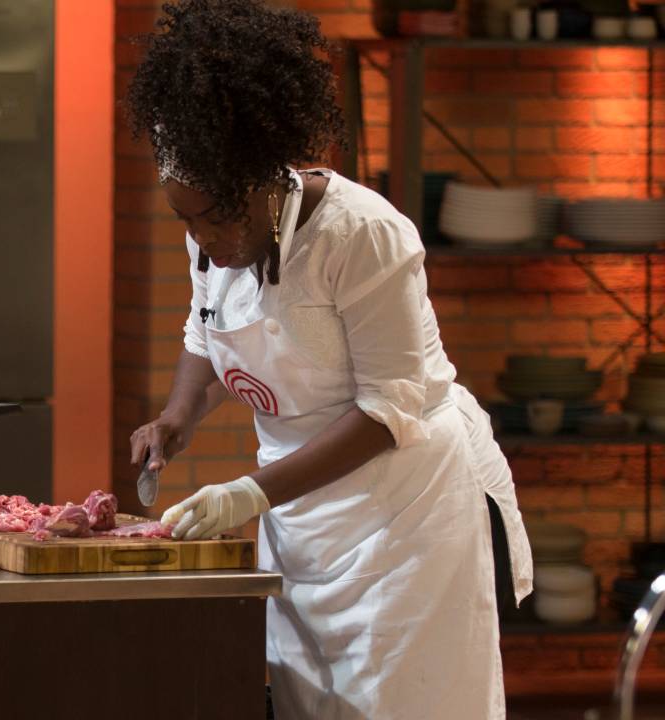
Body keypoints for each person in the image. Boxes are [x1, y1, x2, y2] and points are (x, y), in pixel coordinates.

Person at [123, 1, 533, 718]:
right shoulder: (210, 233)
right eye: (183, 221)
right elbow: (206, 332)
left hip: (408, 515)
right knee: (311, 702)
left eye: (211, 218)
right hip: (304, 518)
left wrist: (251, 492)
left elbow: (388, 408)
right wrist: (175, 417)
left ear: (255, 181)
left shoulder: (363, 235)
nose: (200, 238)